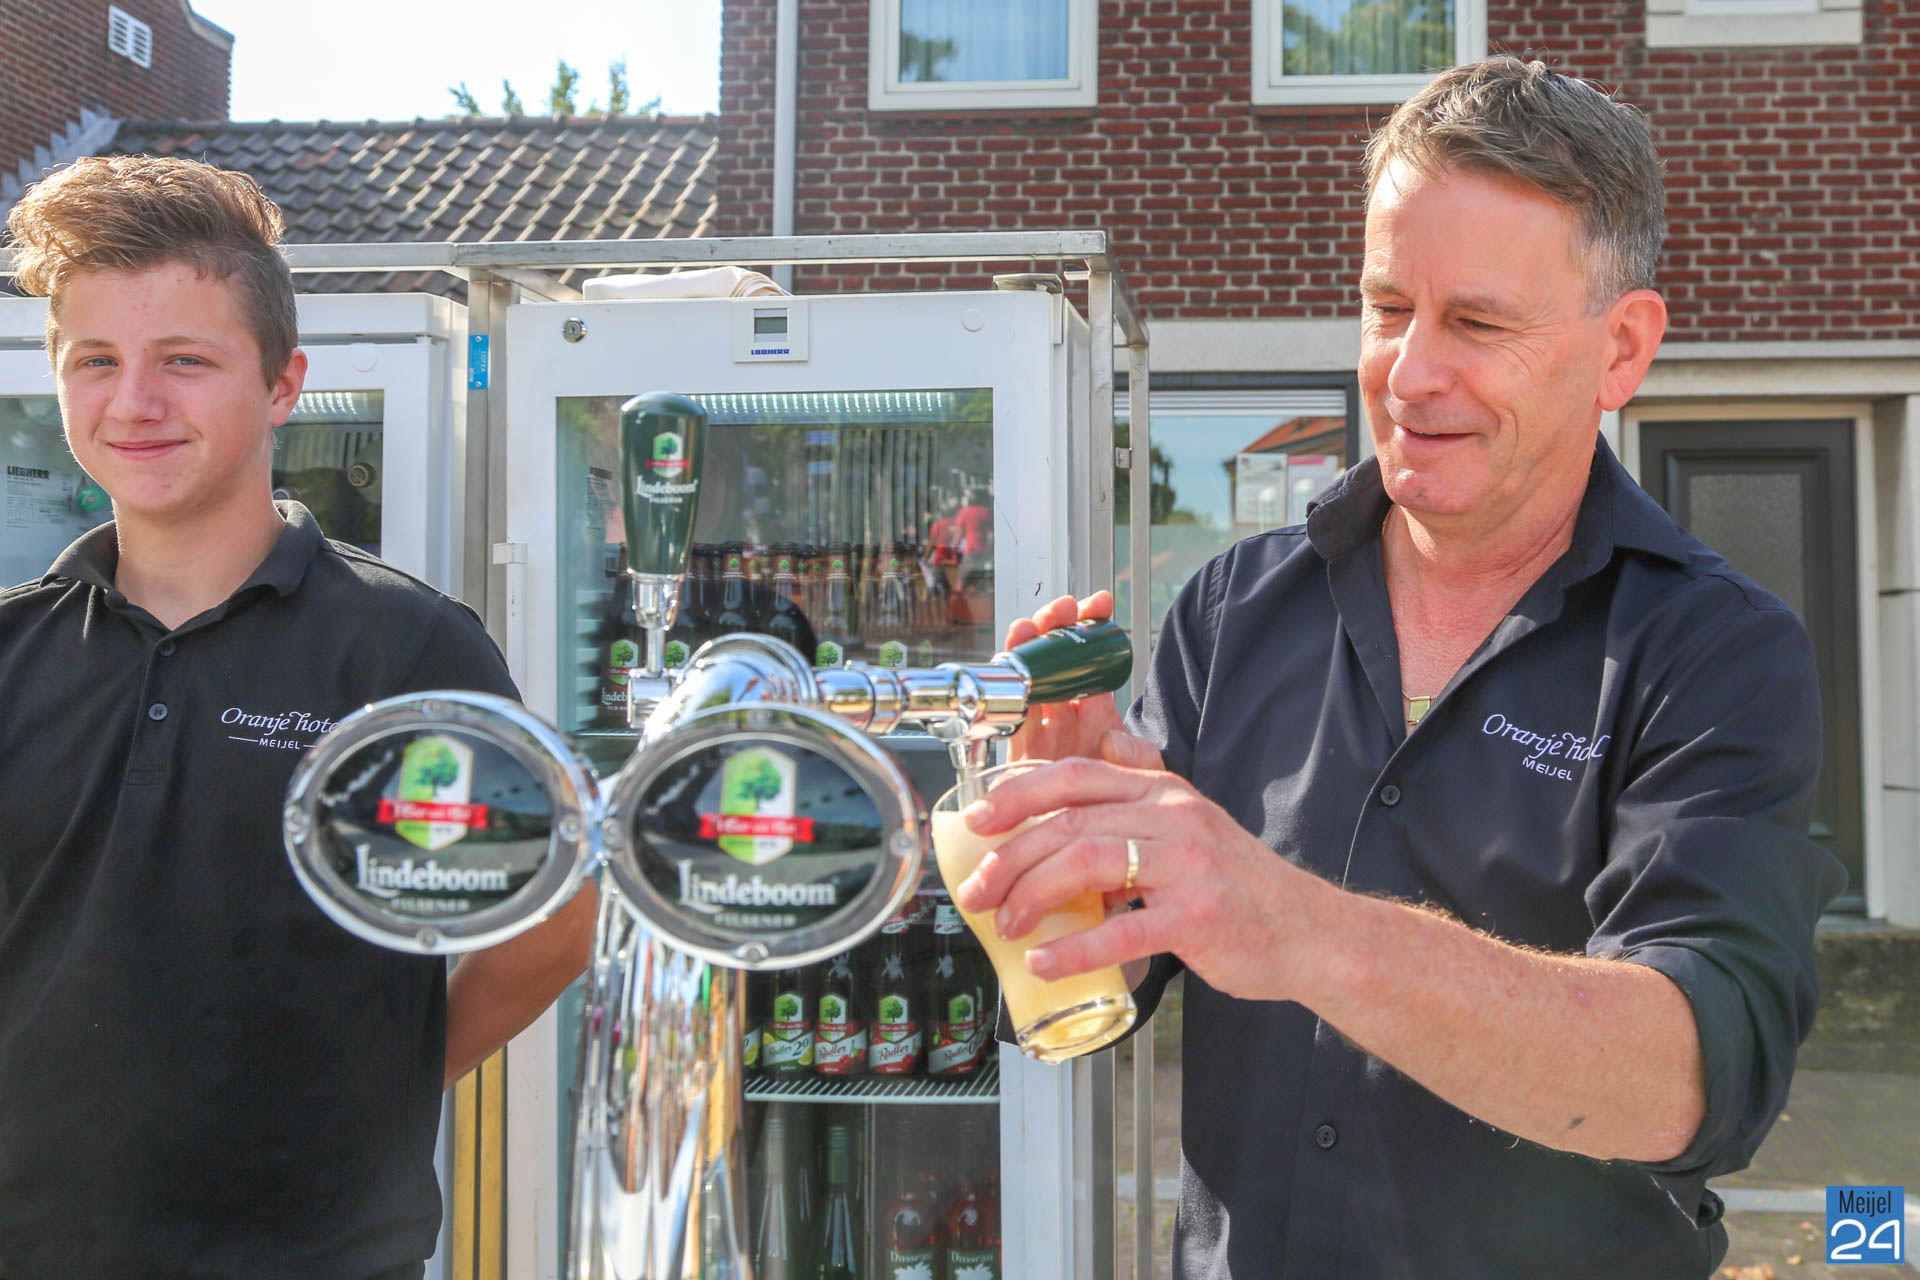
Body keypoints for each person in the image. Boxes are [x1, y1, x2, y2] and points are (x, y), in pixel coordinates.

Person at [957, 57, 1847, 1278]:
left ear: (1622, 348)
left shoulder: (1716, 652)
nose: (1409, 371)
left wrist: (1293, 923)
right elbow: (1111, 981)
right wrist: (1063, 864)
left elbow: (1694, 1072)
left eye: (1477, 322)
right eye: (1387, 307)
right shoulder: (1231, 606)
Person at [0, 157, 594, 1280]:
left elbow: (551, 927)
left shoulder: (405, 650)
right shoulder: (10, 650)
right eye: (97, 361)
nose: (135, 401)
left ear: (282, 385)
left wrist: (379, 1091)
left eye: (185, 360)